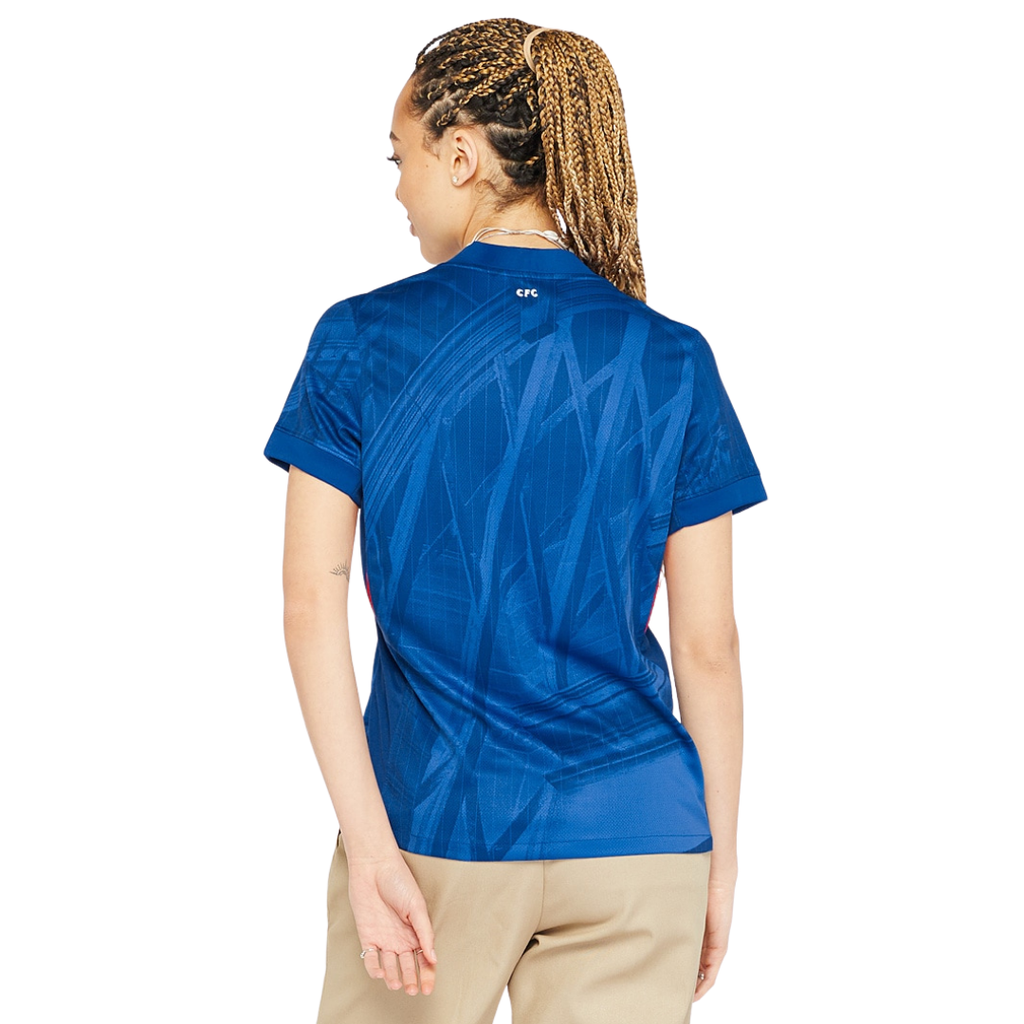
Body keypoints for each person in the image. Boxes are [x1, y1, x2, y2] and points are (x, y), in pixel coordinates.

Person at [263, 17, 767, 1024]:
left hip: (432, 830)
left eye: (400, 158)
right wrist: (715, 860)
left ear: (461, 155)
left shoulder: (360, 339)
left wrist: (372, 851)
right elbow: (707, 646)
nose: (397, 189)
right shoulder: (672, 357)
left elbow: (312, 604)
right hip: (640, 838)